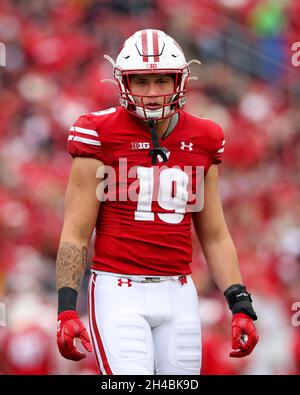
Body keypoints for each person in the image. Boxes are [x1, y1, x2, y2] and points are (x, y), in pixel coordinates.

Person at [56, 29, 259, 375]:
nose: (152, 93)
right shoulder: (97, 133)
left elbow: (214, 234)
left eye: (162, 81)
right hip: (118, 289)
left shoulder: (205, 138)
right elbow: (76, 233)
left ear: (179, 81)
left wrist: (239, 302)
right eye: (142, 82)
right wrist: (66, 308)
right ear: (124, 84)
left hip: (180, 290)